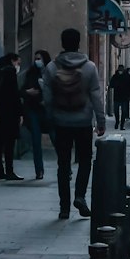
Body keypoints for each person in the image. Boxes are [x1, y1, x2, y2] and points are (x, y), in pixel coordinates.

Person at [41, 27, 106, 220]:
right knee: (85, 160)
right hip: (83, 122)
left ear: (63, 43)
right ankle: (80, 196)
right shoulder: (89, 67)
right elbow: (96, 96)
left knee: (63, 164)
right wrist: (100, 120)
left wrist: (50, 116)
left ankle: (64, 207)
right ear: (79, 43)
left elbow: (47, 96)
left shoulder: (52, 68)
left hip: (61, 123)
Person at [0, 53, 23, 180]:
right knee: (9, 143)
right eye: (18, 63)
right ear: (12, 61)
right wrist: (20, 113)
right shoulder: (10, 72)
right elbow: (15, 94)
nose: (18, 66)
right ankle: (9, 171)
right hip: (9, 112)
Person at [20, 50, 52, 180]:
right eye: (35, 58)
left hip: (48, 111)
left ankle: (64, 167)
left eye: (39, 58)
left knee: (57, 140)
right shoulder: (31, 73)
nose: (37, 61)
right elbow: (22, 90)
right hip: (34, 110)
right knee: (35, 141)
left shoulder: (51, 72)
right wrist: (28, 92)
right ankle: (39, 170)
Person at [111, 64, 130, 130]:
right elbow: (111, 85)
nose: (120, 71)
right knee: (116, 111)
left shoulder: (126, 77)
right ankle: (117, 122)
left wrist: (129, 95)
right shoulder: (115, 76)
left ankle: (122, 124)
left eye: (121, 70)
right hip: (117, 96)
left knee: (124, 112)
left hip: (124, 97)